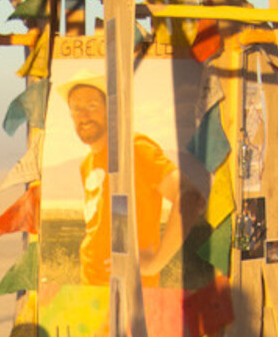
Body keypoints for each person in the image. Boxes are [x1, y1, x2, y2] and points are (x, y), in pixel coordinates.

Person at [63, 79, 204, 287]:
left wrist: (155, 264)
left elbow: (189, 197)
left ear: (109, 110)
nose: (83, 115)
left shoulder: (132, 150)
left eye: (92, 106)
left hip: (131, 292)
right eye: (76, 109)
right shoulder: (87, 164)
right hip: (92, 290)